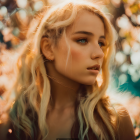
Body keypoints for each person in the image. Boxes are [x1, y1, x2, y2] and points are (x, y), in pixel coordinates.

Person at [0, 0, 135, 140]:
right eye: (83, 40)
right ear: (48, 48)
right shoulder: (15, 122)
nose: (99, 53)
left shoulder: (114, 120)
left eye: (101, 43)